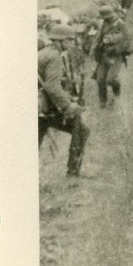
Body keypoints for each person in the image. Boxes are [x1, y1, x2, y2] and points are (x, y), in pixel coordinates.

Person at [39, 24, 91, 178]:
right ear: (60, 40)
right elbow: (52, 87)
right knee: (82, 129)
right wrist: (69, 105)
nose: (72, 43)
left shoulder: (45, 52)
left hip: (39, 107)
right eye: (69, 40)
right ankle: (73, 173)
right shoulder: (54, 56)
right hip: (43, 108)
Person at [93, 4, 133, 107]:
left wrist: (114, 49)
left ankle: (117, 93)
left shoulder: (121, 25)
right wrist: (96, 48)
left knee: (110, 80)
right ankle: (103, 100)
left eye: (107, 18)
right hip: (103, 55)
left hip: (116, 56)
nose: (106, 20)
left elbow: (127, 41)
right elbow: (99, 38)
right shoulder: (103, 24)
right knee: (100, 80)